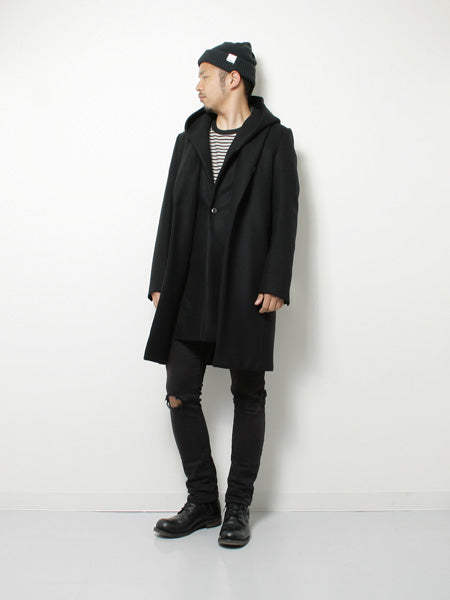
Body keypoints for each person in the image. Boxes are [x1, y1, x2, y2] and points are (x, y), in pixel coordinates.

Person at [143, 41, 300, 547]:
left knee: (248, 394)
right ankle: (203, 502)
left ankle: (237, 508)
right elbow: (169, 212)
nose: (197, 85)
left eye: (204, 75)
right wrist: (160, 279)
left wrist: (275, 282)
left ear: (234, 78)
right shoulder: (189, 138)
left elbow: (285, 216)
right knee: (179, 392)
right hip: (188, 285)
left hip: (246, 287)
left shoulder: (275, 139)